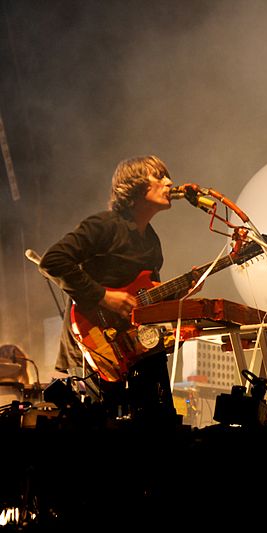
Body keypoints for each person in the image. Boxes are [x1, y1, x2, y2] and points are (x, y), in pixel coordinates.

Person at [38, 155, 185, 425]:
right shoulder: (104, 225)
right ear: (136, 186)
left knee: (159, 419)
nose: (169, 182)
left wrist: (175, 294)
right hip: (93, 342)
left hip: (135, 345)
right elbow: (53, 260)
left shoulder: (151, 239)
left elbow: (144, 297)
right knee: (96, 422)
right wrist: (103, 296)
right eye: (160, 176)